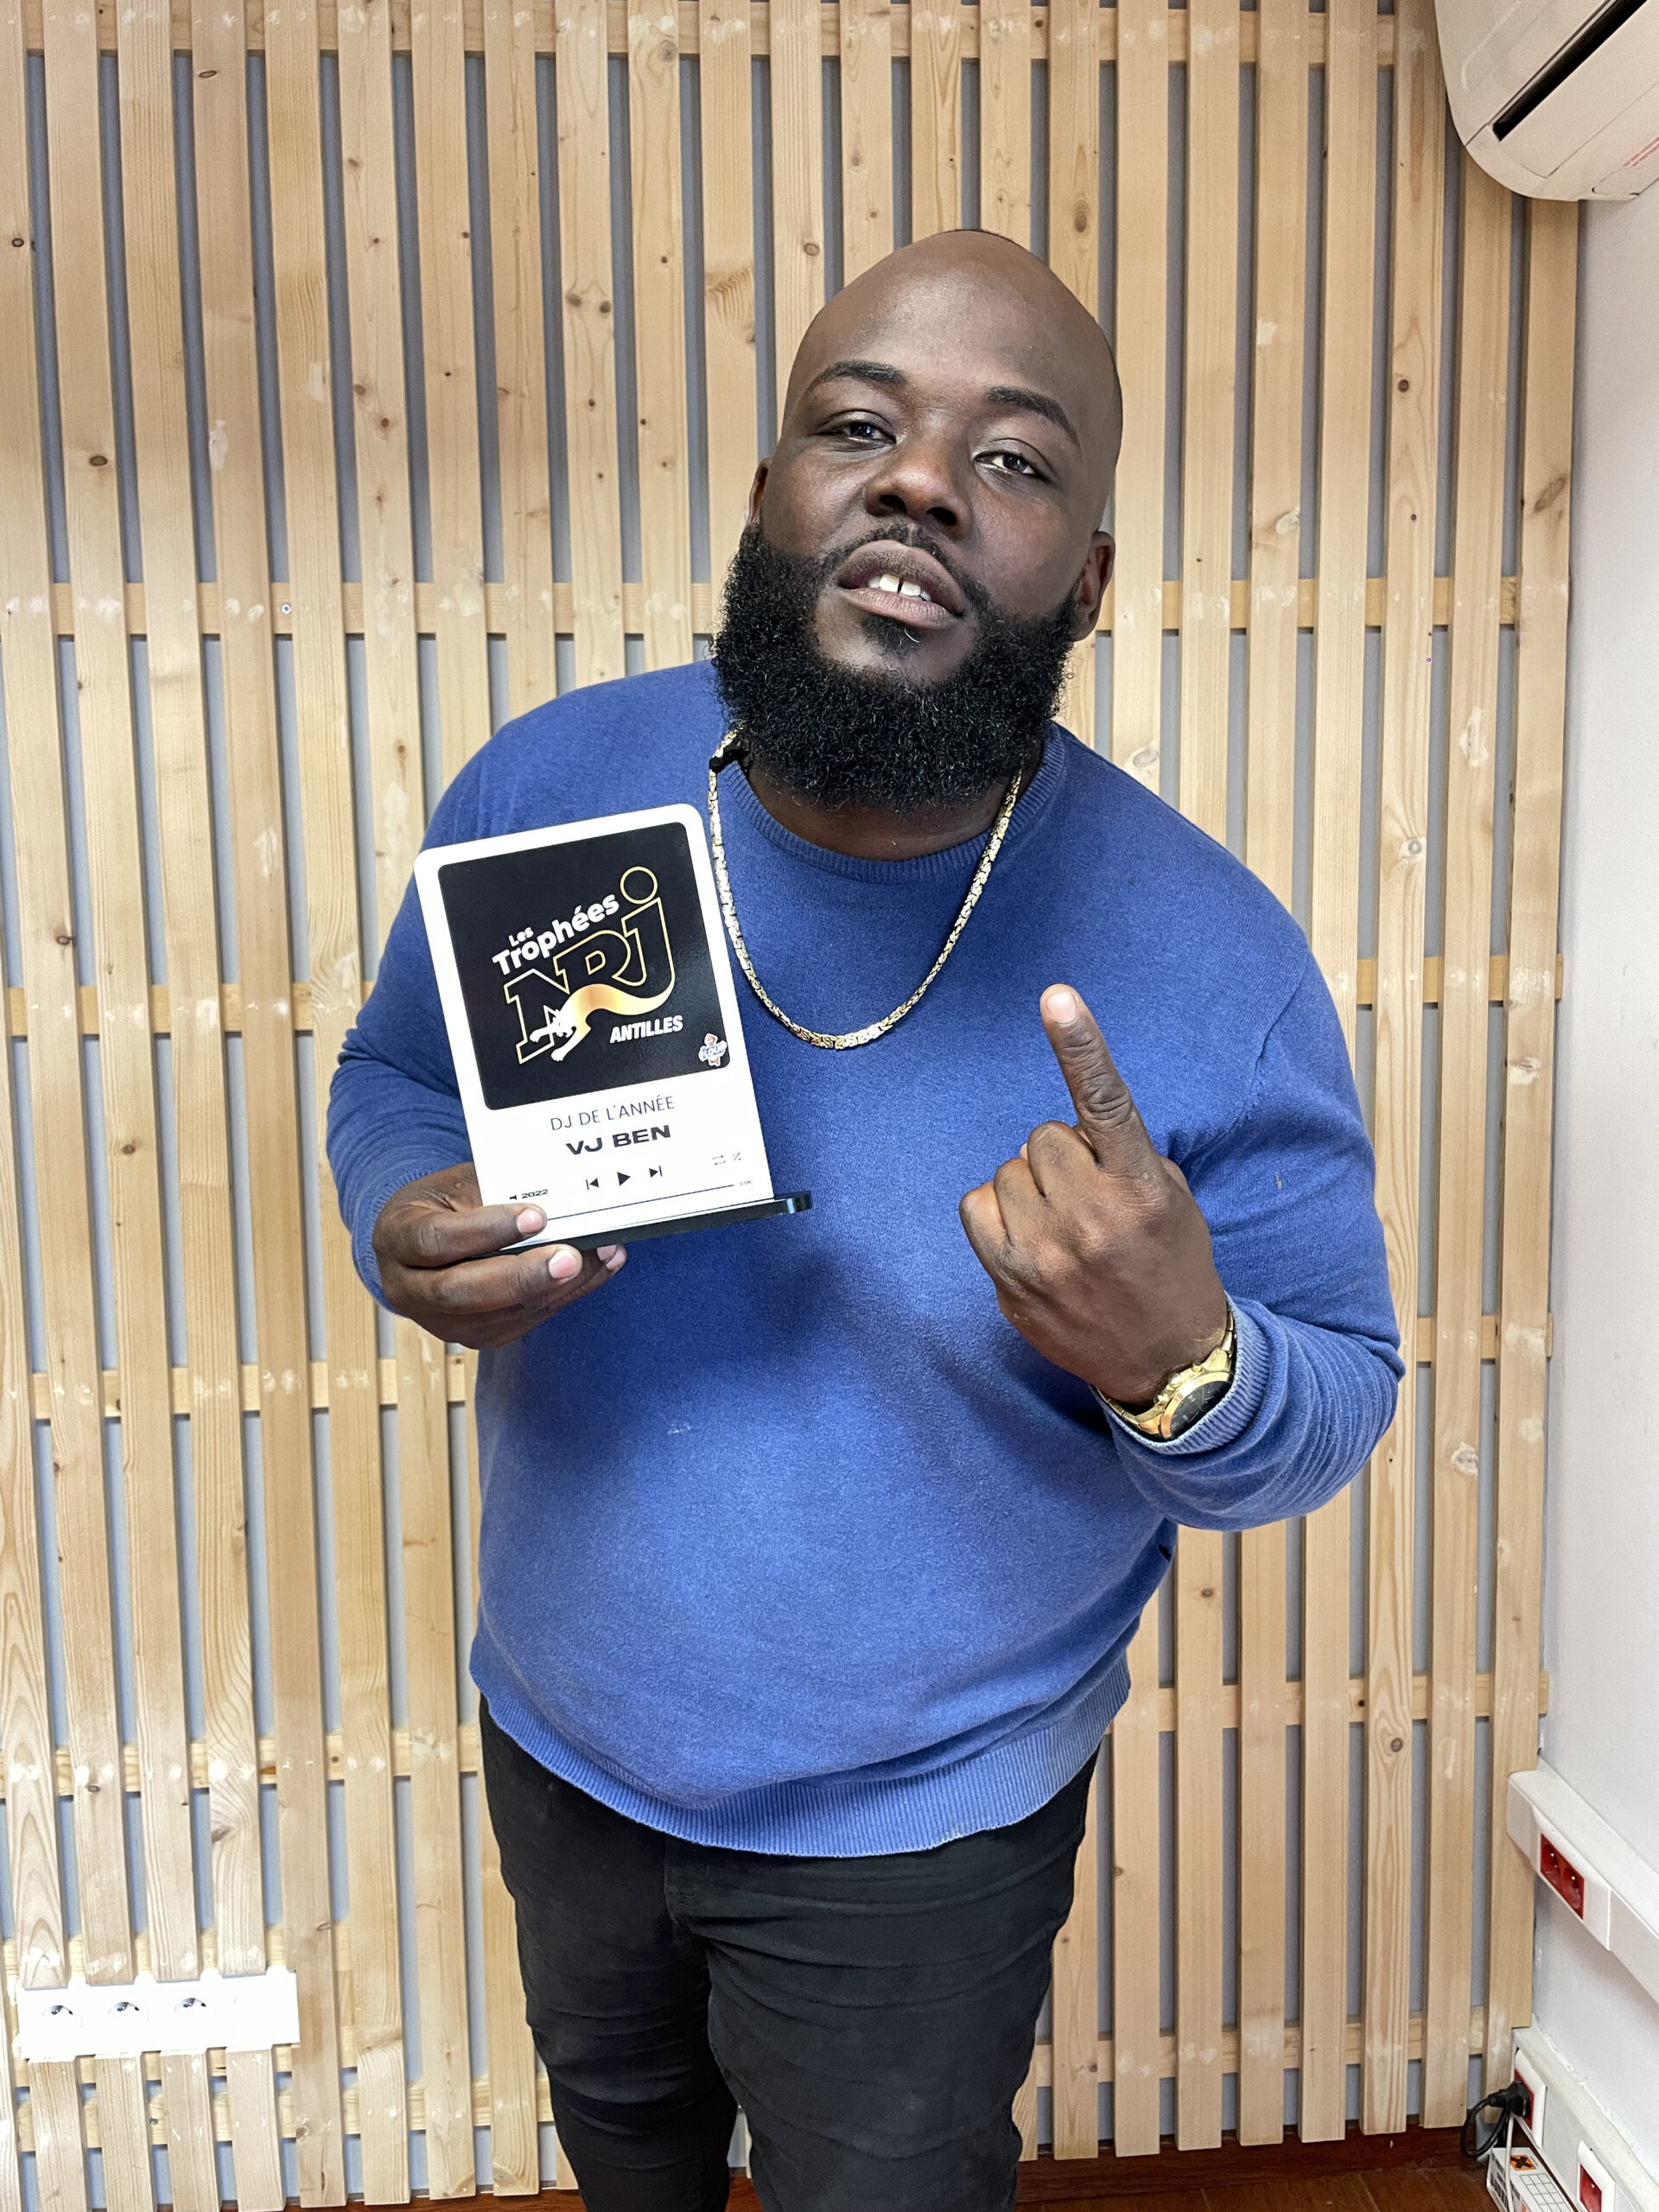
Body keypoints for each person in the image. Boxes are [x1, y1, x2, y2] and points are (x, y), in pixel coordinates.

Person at [327, 229, 1402, 2212]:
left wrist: (1185, 1362)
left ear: (1089, 577)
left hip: (924, 1825)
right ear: (772, 496)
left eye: (1013, 458)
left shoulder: (1215, 957)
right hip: (562, 1727)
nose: (919, 478)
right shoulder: (550, 789)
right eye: (858, 425)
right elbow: (398, 1068)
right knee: (622, 2143)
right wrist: (402, 1204)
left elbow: (1337, 1395)